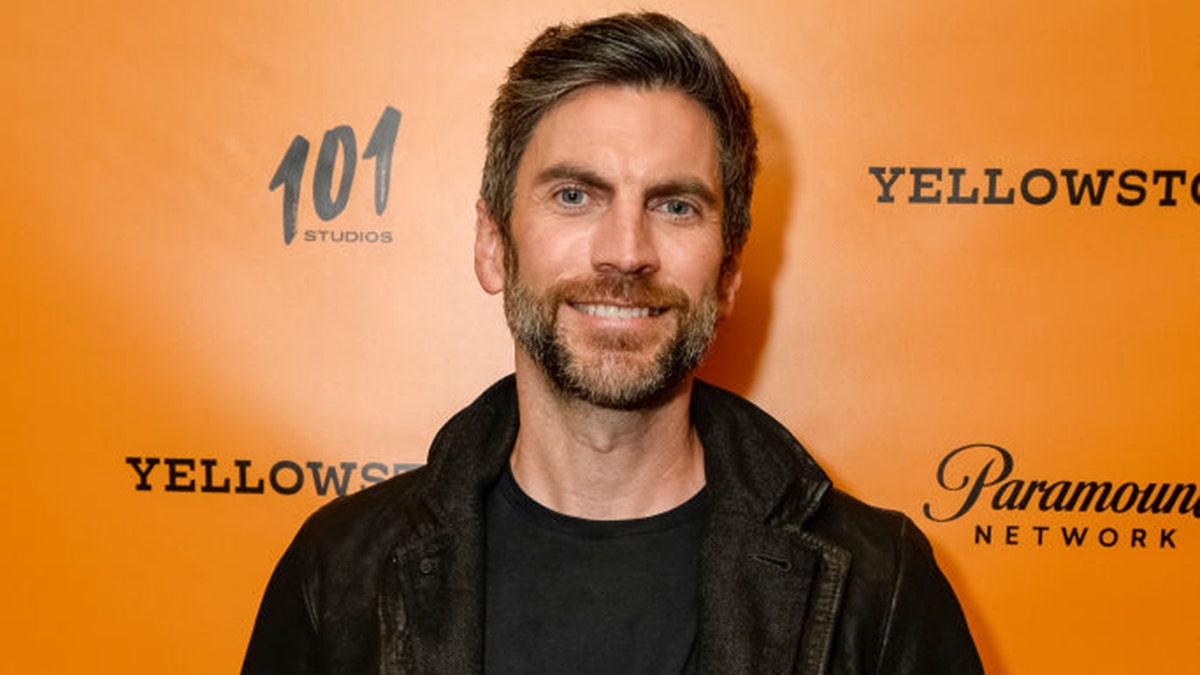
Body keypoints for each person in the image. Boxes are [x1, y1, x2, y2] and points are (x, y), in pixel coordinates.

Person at [242, 12, 983, 674]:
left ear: (727, 272)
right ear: (493, 243)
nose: (626, 252)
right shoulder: (336, 576)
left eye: (675, 204)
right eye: (575, 195)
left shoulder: (877, 590)